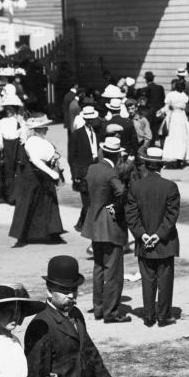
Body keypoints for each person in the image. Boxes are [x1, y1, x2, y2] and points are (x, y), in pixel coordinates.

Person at [126, 146, 181, 328]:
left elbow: (132, 216)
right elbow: (171, 216)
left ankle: (149, 316)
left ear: (147, 165)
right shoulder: (170, 187)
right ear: (160, 166)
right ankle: (163, 316)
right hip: (165, 242)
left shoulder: (136, 186)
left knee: (147, 279)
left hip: (144, 242)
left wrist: (142, 235)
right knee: (165, 280)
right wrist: (158, 235)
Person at [82, 136, 130, 324]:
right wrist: (115, 206)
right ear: (118, 155)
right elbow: (123, 193)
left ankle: (99, 307)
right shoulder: (112, 173)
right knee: (114, 271)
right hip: (109, 224)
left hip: (94, 222)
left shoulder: (93, 168)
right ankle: (112, 312)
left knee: (99, 267)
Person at [9, 115, 66, 245]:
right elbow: (35, 160)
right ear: (37, 129)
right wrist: (52, 173)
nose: (46, 130)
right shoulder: (31, 142)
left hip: (44, 175)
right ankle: (21, 236)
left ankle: (54, 232)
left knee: (49, 202)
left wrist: (53, 167)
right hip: (32, 175)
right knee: (27, 203)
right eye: (44, 128)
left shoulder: (44, 142)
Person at [68, 105, 103, 231]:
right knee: (87, 199)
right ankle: (82, 224)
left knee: (95, 197)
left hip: (96, 167)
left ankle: (84, 223)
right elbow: (72, 157)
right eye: (87, 119)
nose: (90, 121)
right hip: (83, 169)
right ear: (84, 119)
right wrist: (75, 175)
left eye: (92, 119)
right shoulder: (76, 135)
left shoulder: (97, 133)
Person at [0, 94, 24, 205]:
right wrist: (0, 147)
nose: (8, 111)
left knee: (18, 170)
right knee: (8, 171)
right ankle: (9, 195)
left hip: (17, 146)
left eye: (10, 109)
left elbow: (23, 135)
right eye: (7, 109)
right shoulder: (1, 122)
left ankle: (17, 195)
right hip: (7, 148)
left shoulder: (20, 122)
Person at [159, 79, 189, 167]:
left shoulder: (171, 95)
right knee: (181, 137)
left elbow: (167, 104)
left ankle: (173, 156)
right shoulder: (184, 96)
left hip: (174, 116)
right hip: (181, 117)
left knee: (172, 136)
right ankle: (179, 158)